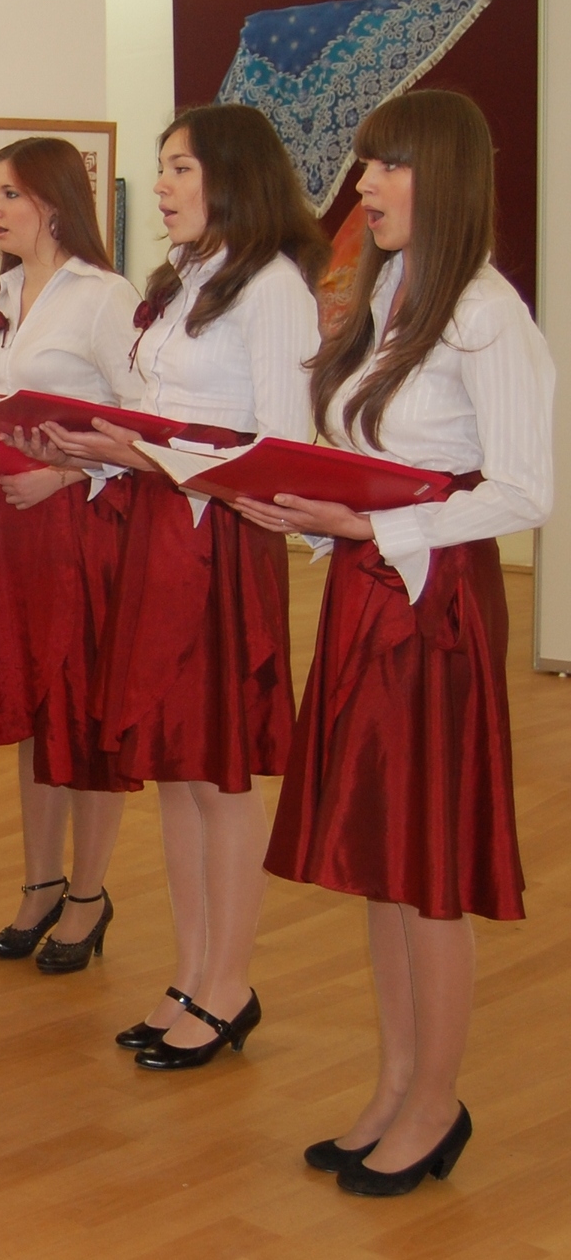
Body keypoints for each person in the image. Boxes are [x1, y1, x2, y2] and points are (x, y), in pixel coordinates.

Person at [240, 90, 553, 1195]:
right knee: (381, 862)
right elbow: (360, 458)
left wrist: (375, 526)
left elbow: (524, 489)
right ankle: (394, 1084)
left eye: (386, 166)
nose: (362, 185)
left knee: (429, 870)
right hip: (367, 595)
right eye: (365, 164)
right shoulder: (386, 297)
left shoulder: (485, 312)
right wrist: (307, 511)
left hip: (435, 608)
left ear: (445, 176)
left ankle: (435, 1101)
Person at [38, 104, 327, 1070]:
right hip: (159, 530)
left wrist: (140, 453)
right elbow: (162, 413)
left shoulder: (272, 285)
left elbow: (279, 450)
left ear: (233, 176)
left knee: (219, 776)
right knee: (175, 769)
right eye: (161, 167)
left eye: (179, 168)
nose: (159, 186)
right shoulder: (183, 277)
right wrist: (98, 447)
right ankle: (191, 970)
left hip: (219, 543)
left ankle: (229, 983)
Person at [0, 138, 142, 972]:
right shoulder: (3, 290)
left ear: (56, 202)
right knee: (32, 703)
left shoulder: (104, 295)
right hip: (12, 519)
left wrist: (68, 472)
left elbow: (141, 424)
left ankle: (89, 894)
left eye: (11, 194)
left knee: (84, 711)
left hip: (80, 522)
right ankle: (39, 883)